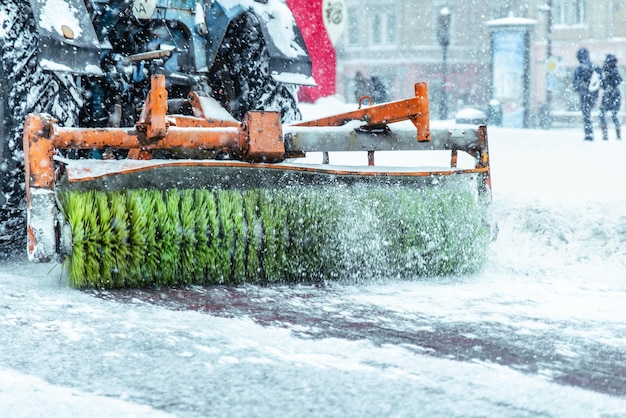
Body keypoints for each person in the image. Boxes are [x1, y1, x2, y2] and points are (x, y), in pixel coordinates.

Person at [572, 48, 602, 141]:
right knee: (589, 113)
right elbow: (600, 80)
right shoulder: (594, 66)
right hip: (593, 94)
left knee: (586, 114)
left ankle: (588, 133)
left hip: (584, 94)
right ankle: (594, 132)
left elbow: (575, 83)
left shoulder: (579, 68)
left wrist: (581, 87)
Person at [599, 54, 622, 140]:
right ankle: (617, 134)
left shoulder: (609, 71)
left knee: (605, 114)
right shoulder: (612, 71)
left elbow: (603, 84)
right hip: (613, 95)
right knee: (613, 115)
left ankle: (606, 134)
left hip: (610, 95)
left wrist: (607, 85)